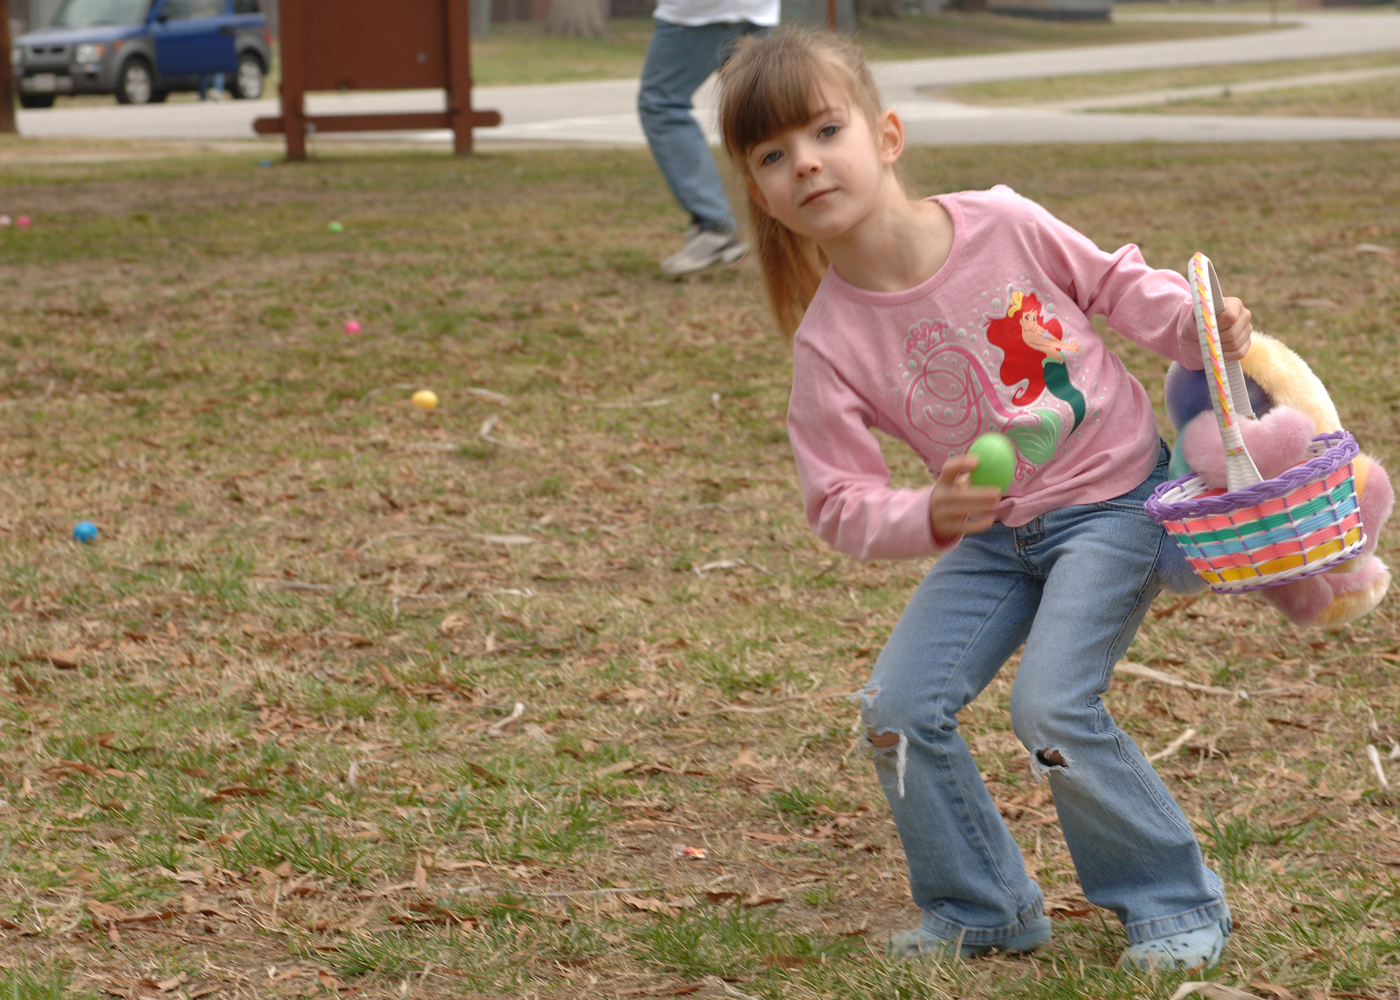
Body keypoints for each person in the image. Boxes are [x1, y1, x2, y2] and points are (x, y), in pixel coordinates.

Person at [716, 29, 1251, 972]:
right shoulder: (829, 344)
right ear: (759, 191)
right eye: (770, 154)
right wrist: (927, 515)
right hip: (997, 540)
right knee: (895, 707)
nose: (803, 162)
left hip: (1113, 502)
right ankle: (983, 907)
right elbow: (838, 498)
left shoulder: (1003, 223)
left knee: (1051, 707)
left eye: (824, 130)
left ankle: (1171, 903)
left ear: (886, 136)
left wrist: (1195, 323)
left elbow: (1114, 285)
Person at [638, 0, 777, 276]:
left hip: (701, 10)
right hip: (757, 7)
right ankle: (801, 228)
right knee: (757, 114)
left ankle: (715, 227)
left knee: (661, 103)